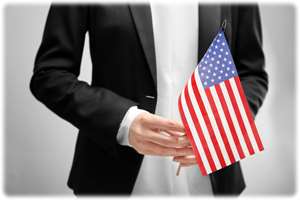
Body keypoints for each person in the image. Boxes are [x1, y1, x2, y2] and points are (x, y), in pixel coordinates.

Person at [30, 3, 268, 195]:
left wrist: (225, 127)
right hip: (112, 177)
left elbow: (251, 73)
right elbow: (50, 74)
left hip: (214, 181)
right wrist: (124, 122)